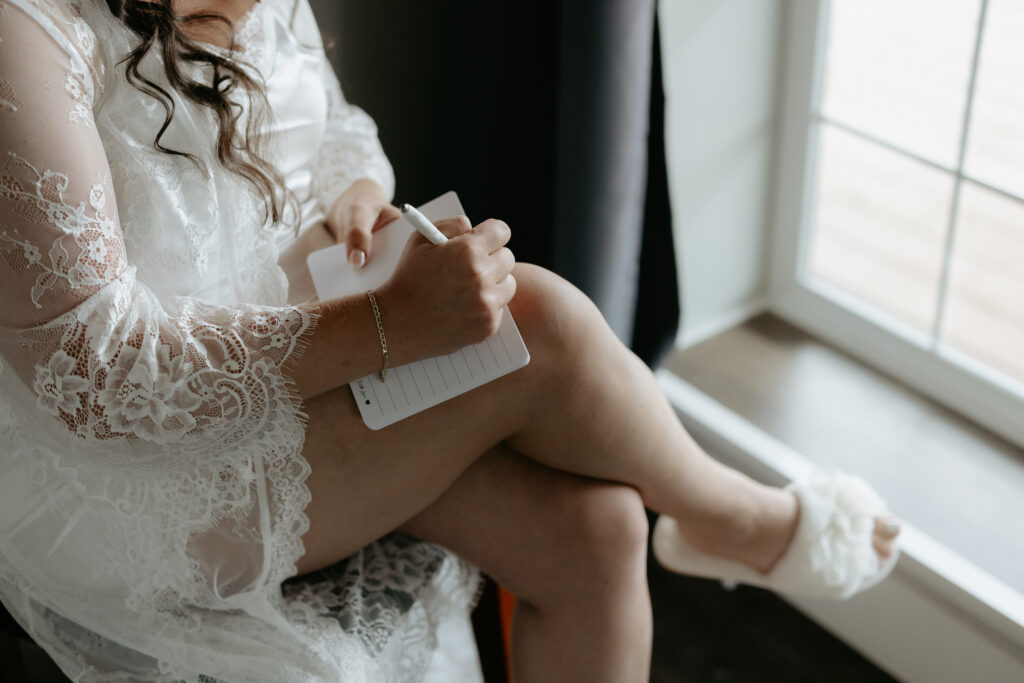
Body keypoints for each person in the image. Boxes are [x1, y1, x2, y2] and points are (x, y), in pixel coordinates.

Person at [0, 0, 901, 681]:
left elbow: (337, 130)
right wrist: (388, 324)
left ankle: (712, 516)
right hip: (131, 476)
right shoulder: (28, 35)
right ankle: (736, 518)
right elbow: (99, 378)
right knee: (536, 319)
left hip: (294, 365)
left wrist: (353, 197)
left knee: (601, 530)